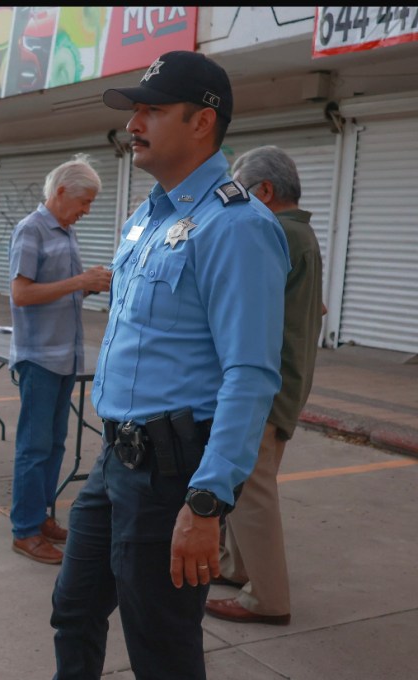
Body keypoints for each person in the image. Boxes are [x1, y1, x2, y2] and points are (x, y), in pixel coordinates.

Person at [50, 50, 290, 679]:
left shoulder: (235, 226)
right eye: (135, 111)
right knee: (73, 611)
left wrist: (207, 503)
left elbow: (251, 373)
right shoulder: (146, 219)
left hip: (172, 473)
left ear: (202, 121)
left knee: (161, 648)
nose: (134, 124)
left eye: (151, 110)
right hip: (116, 458)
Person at [204, 145, 324, 626]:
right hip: (284, 378)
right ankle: (237, 567)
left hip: (268, 385)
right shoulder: (299, 234)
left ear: (266, 191)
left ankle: (267, 598)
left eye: (243, 191)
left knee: (252, 488)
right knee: (244, 481)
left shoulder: (275, 233)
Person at [8, 155, 113, 565]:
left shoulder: (65, 232)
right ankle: (25, 530)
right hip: (39, 356)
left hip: (65, 356)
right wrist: (79, 282)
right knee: (34, 447)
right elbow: (21, 294)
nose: (86, 212)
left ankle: (42, 515)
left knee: (54, 444)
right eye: (83, 202)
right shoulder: (31, 230)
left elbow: (58, 291)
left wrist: (89, 287)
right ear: (61, 192)